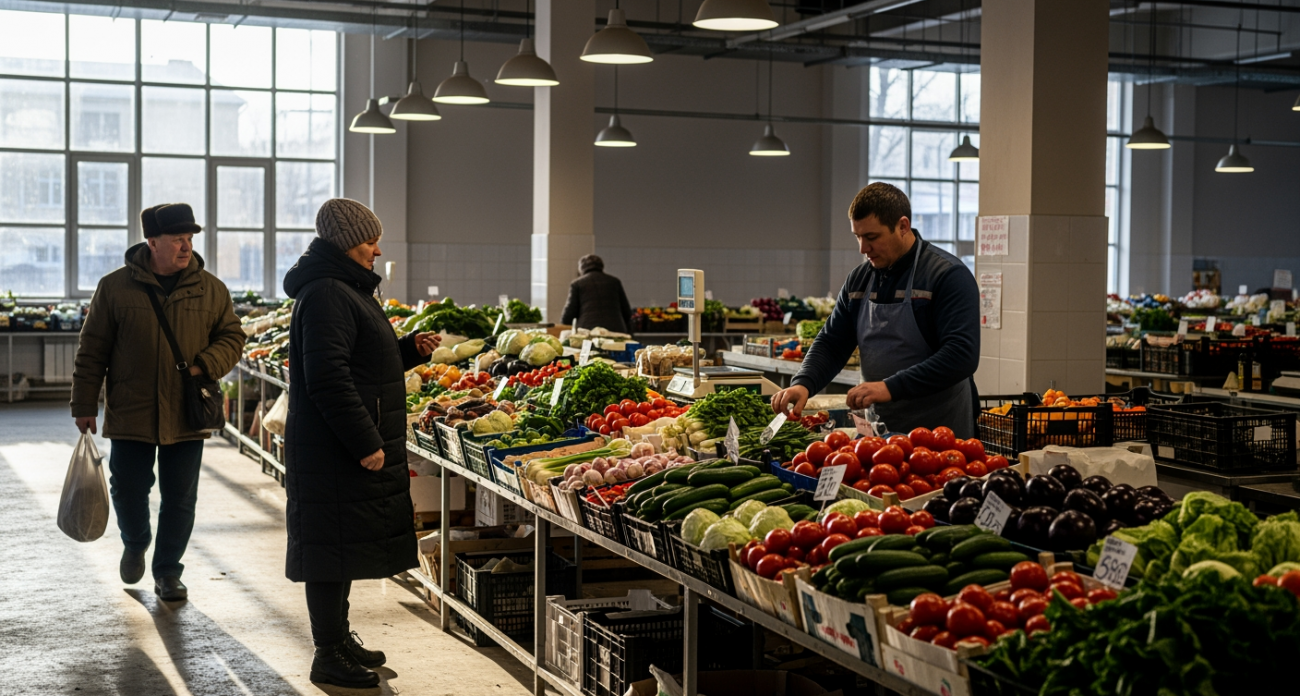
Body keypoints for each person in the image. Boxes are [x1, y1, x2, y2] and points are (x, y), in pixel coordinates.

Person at [281, 198, 441, 689]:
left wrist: (406, 351)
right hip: (336, 449)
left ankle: (337, 636)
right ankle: (327, 653)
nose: (376, 249)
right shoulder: (329, 292)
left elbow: (358, 363)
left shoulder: (345, 288)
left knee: (341, 546)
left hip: (338, 447)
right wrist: (364, 441)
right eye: (370, 240)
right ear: (347, 242)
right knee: (329, 550)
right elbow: (328, 377)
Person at [71, 203, 246, 601]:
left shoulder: (211, 288)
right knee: (128, 489)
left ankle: (168, 570)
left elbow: (233, 338)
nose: (186, 247)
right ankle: (135, 541)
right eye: (177, 240)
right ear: (152, 242)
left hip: (187, 411)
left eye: (189, 240)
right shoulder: (115, 287)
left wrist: (204, 366)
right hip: (131, 408)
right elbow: (92, 349)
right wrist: (83, 404)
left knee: (180, 497)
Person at [772, 182, 981, 438]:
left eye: (871, 237)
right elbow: (832, 342)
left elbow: (961, 355)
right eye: (858, 237)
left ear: (903, 226)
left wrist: (890, 387)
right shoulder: (858, 281)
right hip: (876, 437)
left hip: (939, 436)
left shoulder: (947, 276)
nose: (863, 248)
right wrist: (804, 383)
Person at [560, 254, 633, 333]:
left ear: (581, 268)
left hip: (588, 331)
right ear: (601, 266)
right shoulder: (614, 282)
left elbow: (568, 316)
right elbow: (627, 312)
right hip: (616, 330)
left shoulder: (577, 284)